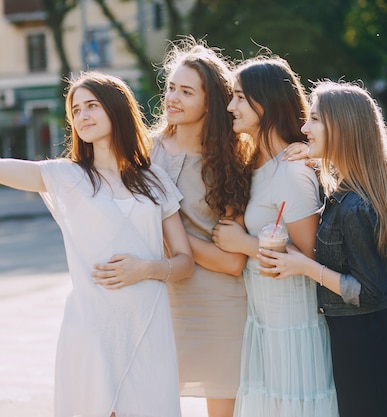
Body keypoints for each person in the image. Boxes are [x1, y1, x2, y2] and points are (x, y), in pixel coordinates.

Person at [0, 60, 195, 417]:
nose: (82, 116)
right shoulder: (66, 177)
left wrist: (147, 269)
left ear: (117, 108)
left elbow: (185, 263)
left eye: (92, 105)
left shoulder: (155, 179)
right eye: (76, 110)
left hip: (147, 327)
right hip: (91, 329)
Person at [275, 81, 387, 417]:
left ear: (343, 128)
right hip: (366, 333)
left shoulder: (356, 208)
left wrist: (304, 267)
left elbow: (367, 291)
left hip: (367, 340)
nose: (305, 128)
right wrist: (320, 156)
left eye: (315, 120)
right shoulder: (352, 190)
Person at [212, 55, 339, 417]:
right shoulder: (260, 165)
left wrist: (244, 245)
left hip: (291, 321)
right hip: (265, 318)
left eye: (239, 97)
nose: (230, 106)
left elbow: (312, 257)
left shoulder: (291, 172)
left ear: (264, 102)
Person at [149, 38, 251, 417]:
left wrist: (168, 235)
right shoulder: (144, 152)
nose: (173, 98)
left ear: (211, 102)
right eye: (172, 87)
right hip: (159, 297)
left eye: (186, 92)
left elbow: (232, 263)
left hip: (219, 304)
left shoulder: (232, 162)